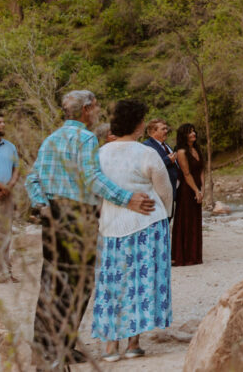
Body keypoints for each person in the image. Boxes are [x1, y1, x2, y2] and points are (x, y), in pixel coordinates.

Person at [25, 90, 156, 368]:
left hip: (54, 214)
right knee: (78, 284)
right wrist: (127, 198)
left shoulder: (50, 139)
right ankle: (58, 350)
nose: (97, 111)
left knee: (52, 281)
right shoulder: (84, 138)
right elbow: (92, 179)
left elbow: (32, 179)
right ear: (85, 109)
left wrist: (43, 205)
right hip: (77, 215)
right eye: (95, 106)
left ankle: (49, 347)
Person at [92, 99, 174, 361]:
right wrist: (166, 214)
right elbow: (164, 190)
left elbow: (96, 190)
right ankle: (133, 344)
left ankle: (109, 347)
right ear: (139, 125)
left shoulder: (99, 154)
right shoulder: (146, 153)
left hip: (111, 225)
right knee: (141, 283)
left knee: (111, 283)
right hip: (147, 224)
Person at [0, 113, 20, 282]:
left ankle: (5, 273)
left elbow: (16, 168)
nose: (3, 125)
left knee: (4, 234)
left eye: (4, 122)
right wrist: (2, 186)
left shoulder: (10, 147)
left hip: (6, 196)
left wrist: (9, 186)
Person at [172, 123, 204, 266]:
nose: (193, 134)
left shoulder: (197, 149)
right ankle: (184, 256)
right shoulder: (181, 152)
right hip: (186, 189)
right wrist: (196, 190)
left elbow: (201, 170)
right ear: (184, 135)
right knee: (186, 220)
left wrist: (202, 189)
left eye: (194, 131)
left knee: (195, 220)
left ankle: (195, 255)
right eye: (190, 132)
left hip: (198, 187)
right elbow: (186, 173)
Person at [142, 119, 181, 208]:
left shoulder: (165, 145)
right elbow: (147, 167)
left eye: (166, 129)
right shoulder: (146, 146)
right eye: (163, 129)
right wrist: (167, 160)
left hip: (172, 189)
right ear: (153, 131)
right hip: (159, 193)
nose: (166, 131)